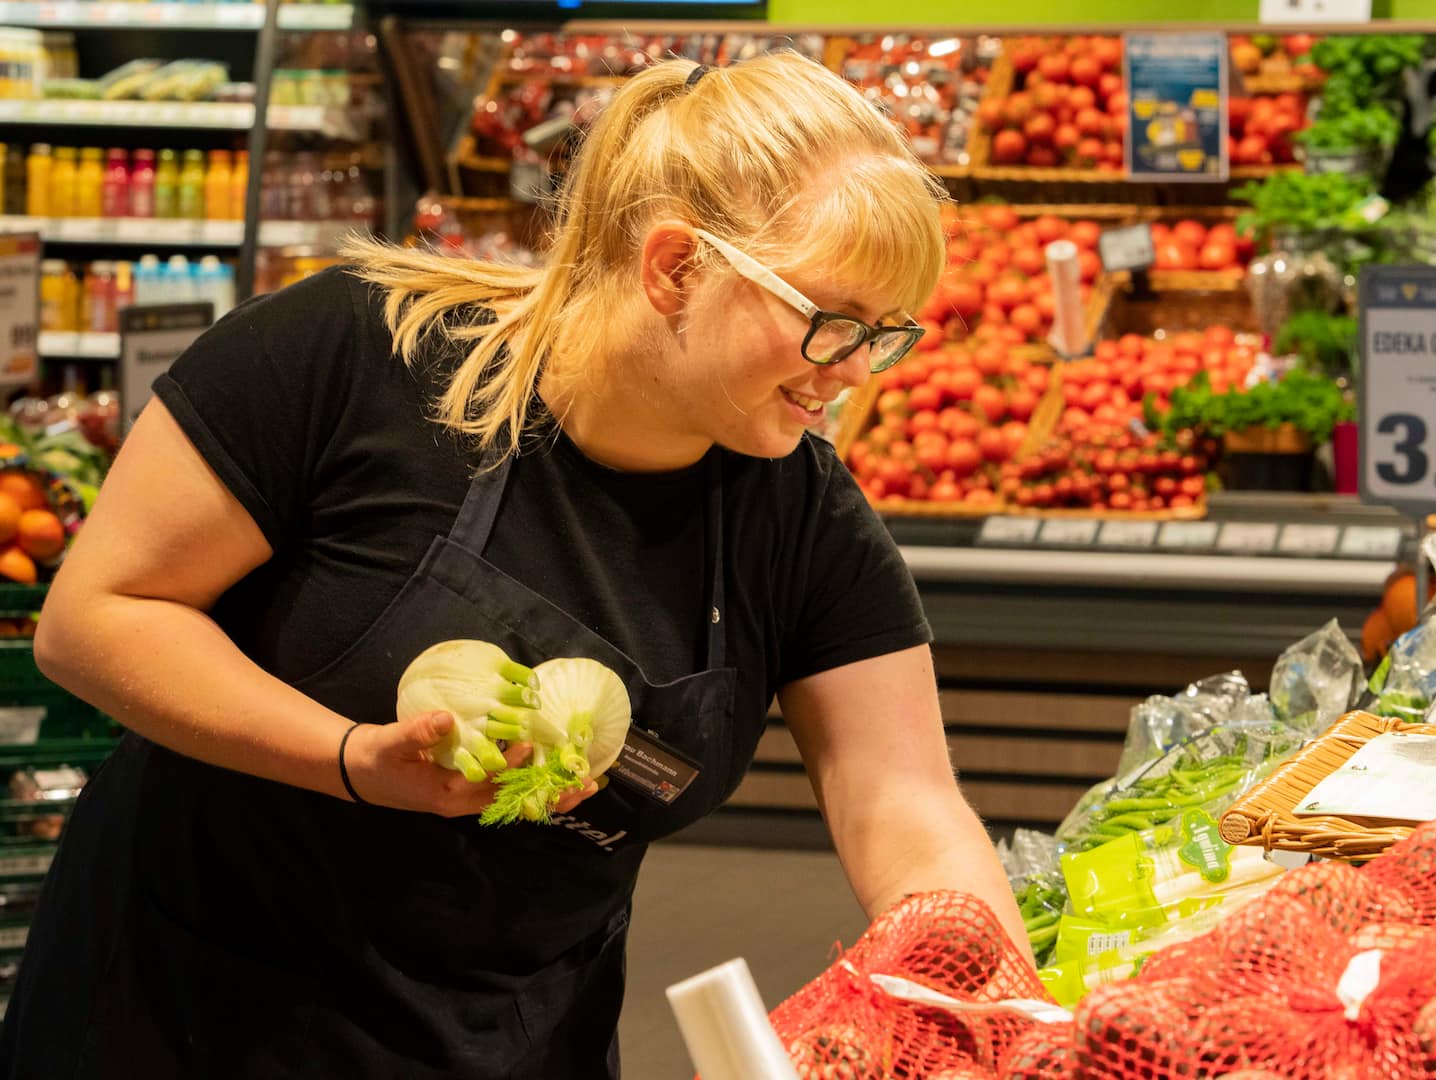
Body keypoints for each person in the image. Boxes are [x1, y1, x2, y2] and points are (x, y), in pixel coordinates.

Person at [0, 52, 1027, 1079]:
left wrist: (1001, 1012)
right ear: (674, 267)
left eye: (883, 335)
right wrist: (353, 758)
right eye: (828, 322)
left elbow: (906, 804)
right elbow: (97, 616)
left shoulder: (797, 512)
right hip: (193, 1019)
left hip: (508, 1041)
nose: (850, 374)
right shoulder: (356, 354)